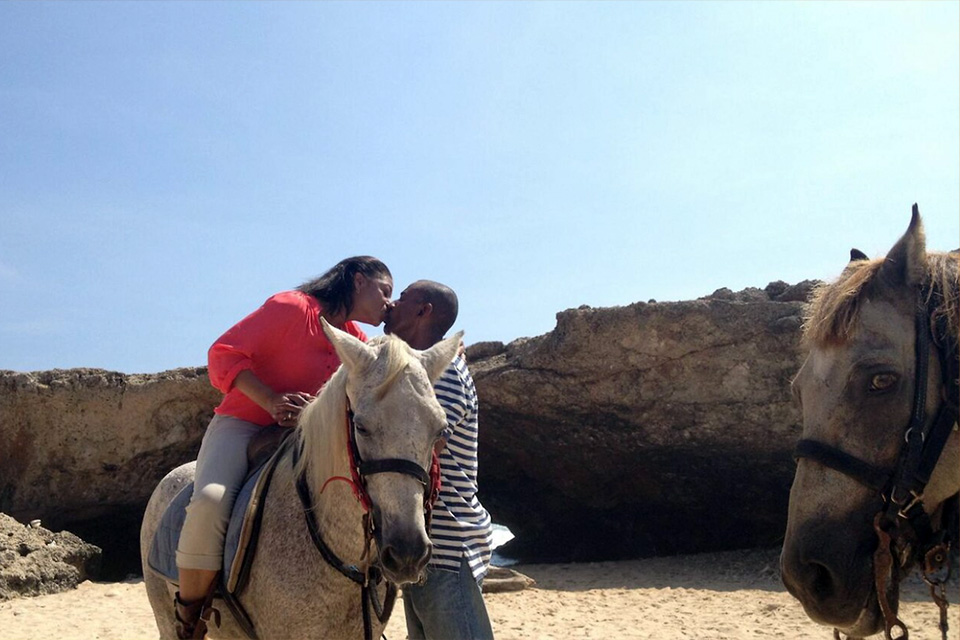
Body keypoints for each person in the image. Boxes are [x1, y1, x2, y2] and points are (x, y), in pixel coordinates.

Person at [174, 256, 393, 640]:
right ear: (358, 280)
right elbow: (222, 353)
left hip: (302, 438)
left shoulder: (356, 341)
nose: (388, 303)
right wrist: (271, 400)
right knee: (210, 501)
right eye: (385, 291)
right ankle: (190, 618)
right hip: (243, 424)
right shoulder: (291, 307)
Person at [384, 280, 495, 640]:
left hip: (446, 545)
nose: (390, 304)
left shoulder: (441, 372)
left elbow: (422, 448)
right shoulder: (420, 371)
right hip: (426, 545)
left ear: (422, 310)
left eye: (401, 299)